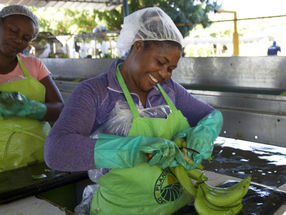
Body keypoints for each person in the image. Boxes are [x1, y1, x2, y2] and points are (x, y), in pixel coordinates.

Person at [44, 7, 223, 215]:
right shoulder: (96, 92)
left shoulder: (169, 89)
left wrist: (204, 133)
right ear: (138, 46)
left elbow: (211, 115)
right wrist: (133, 149)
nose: (165, 74)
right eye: (161, 62)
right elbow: (56, 150)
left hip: (176, 206)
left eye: (171, 68)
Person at [0, 5, 64, 172]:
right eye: (13, 30)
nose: (18, 40)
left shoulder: (34, 65)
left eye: (25, 38)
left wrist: (31, 108)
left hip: (39, 160)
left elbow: (60, 109)